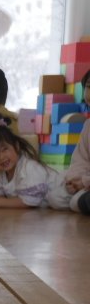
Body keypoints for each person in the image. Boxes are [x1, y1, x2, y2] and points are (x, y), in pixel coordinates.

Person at [0, 114, 69, 210]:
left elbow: (28, 202)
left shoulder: (29, 168)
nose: (1, 157)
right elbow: (2, 198)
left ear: (16, 146)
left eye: (4, 149)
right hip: (47, 208)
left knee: (56, 198)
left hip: (64, 190)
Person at [60, 70, 90, 215]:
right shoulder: (88, 125)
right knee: (56, 196)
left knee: (77, 202)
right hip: (86, 181)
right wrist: (75, 180)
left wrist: (84, 182)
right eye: (89, 87)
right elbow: (80, 159)